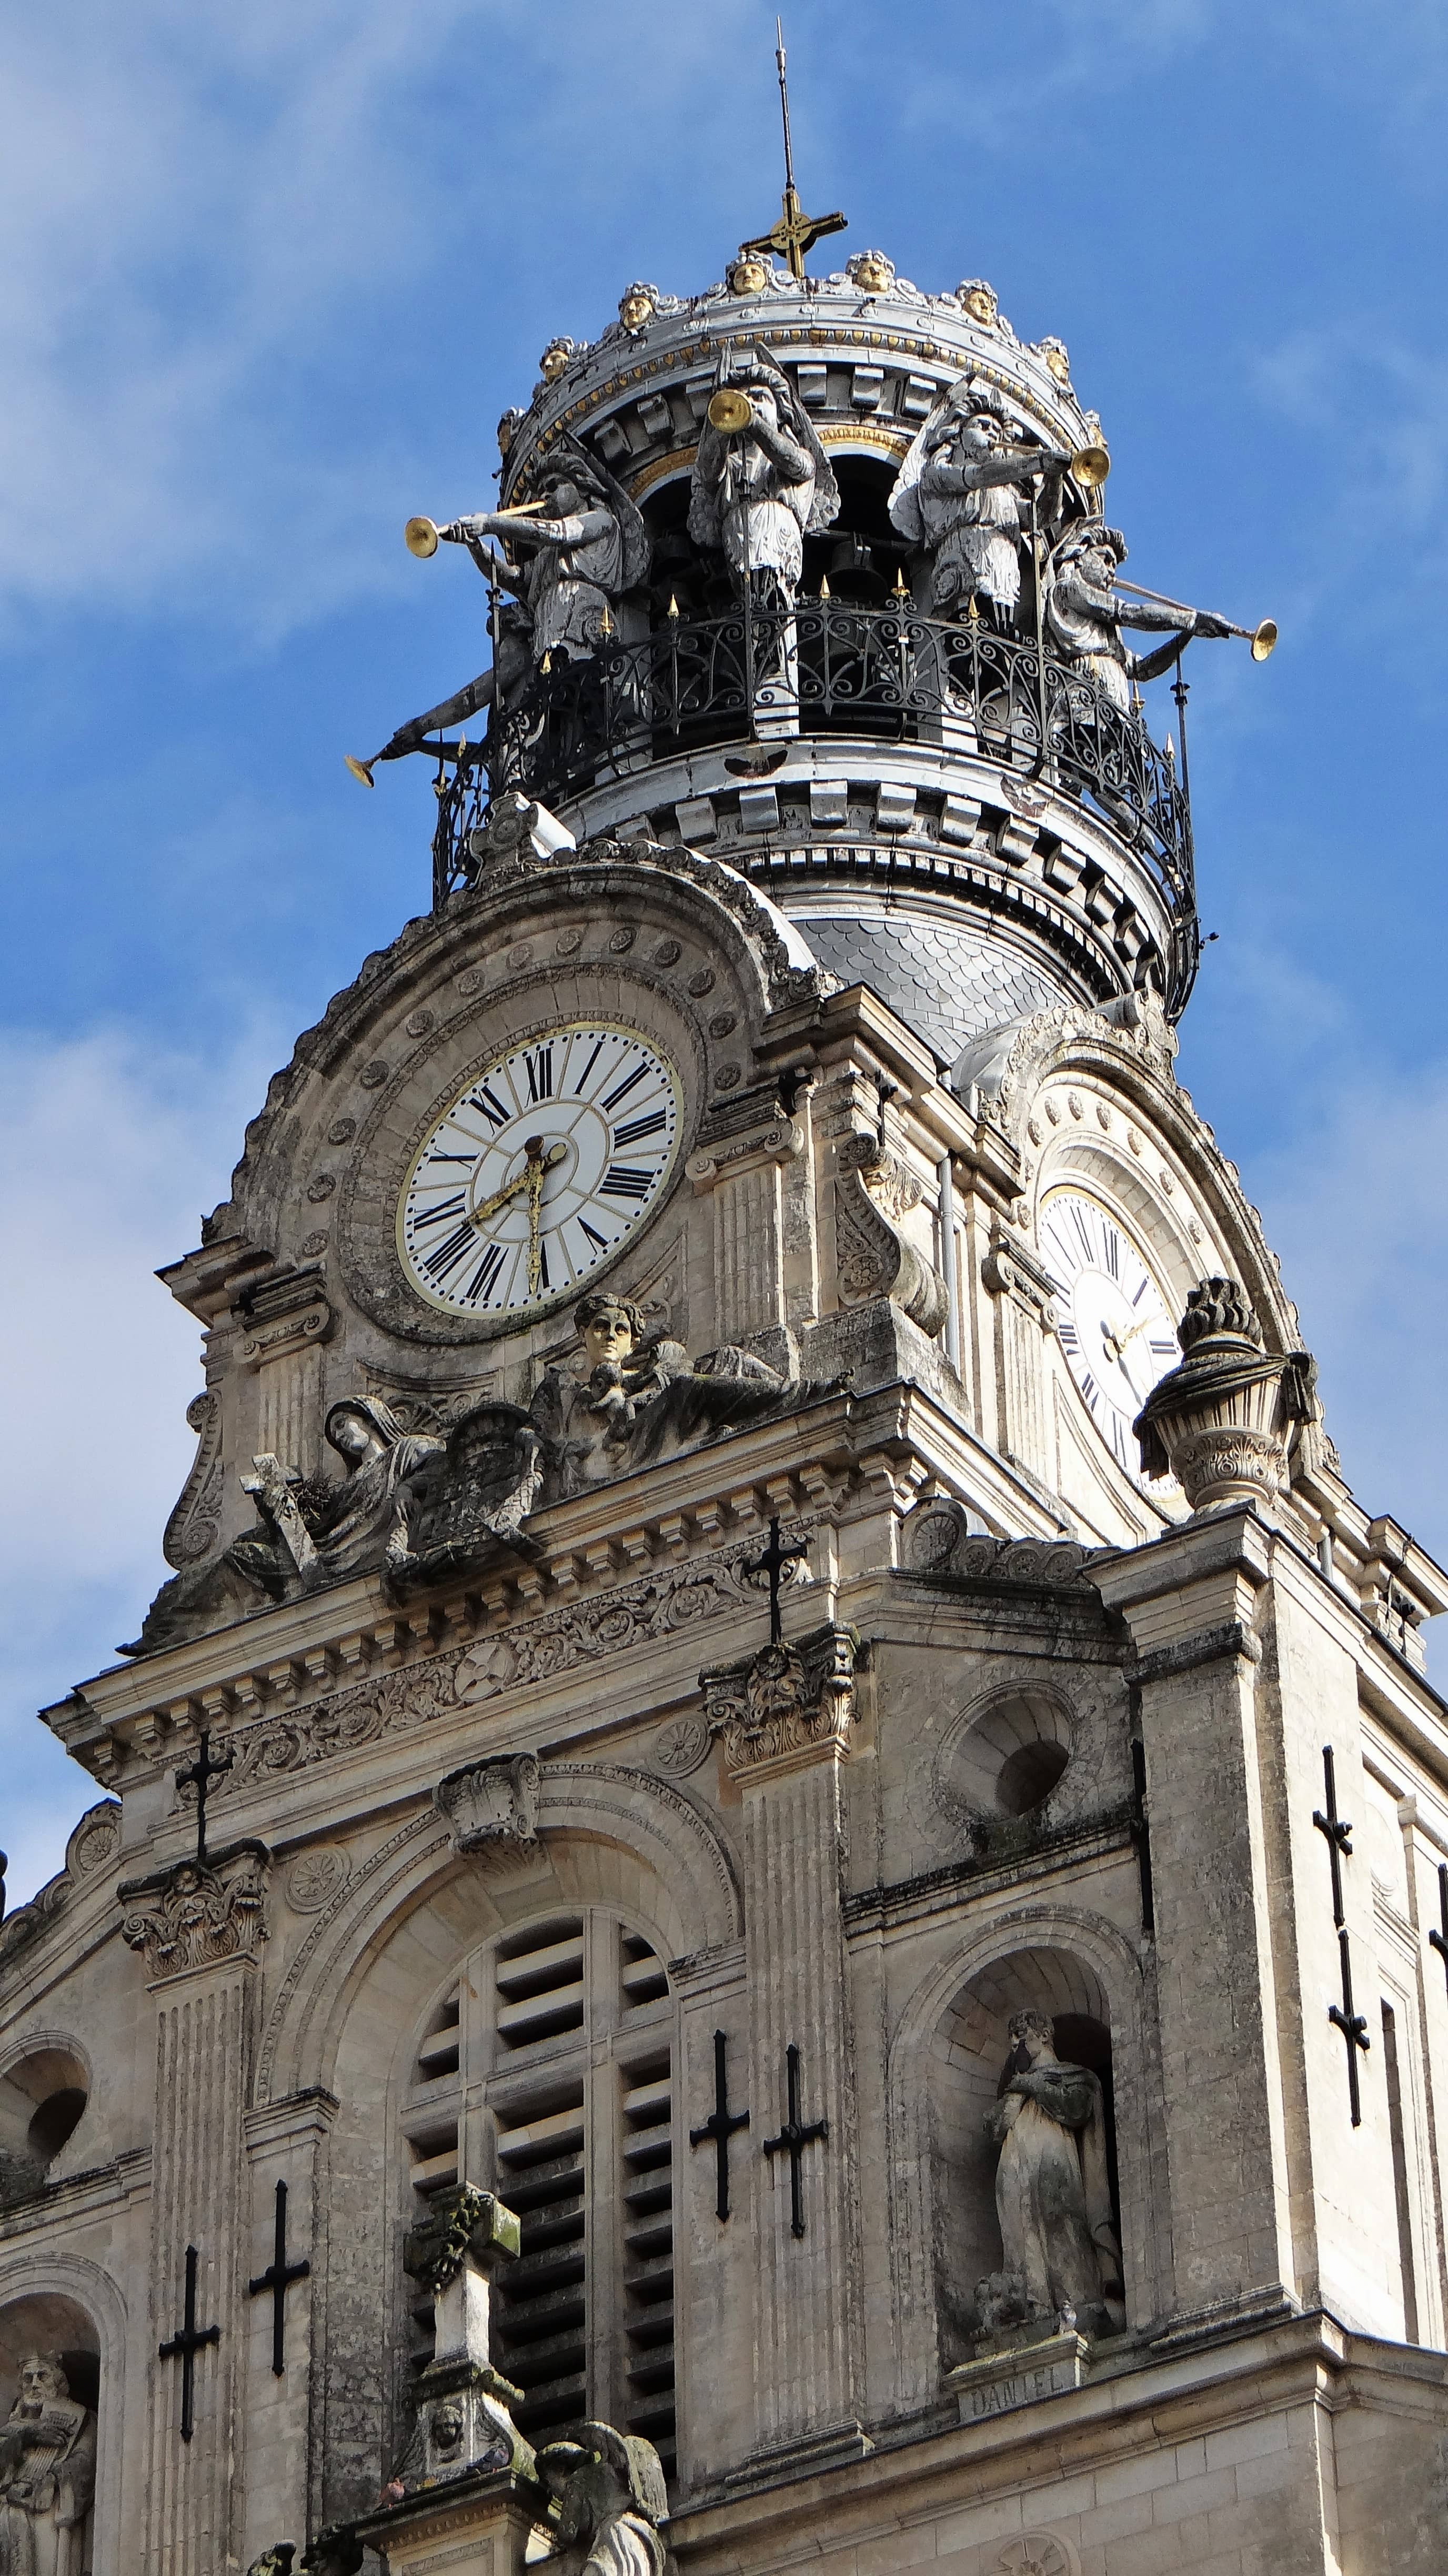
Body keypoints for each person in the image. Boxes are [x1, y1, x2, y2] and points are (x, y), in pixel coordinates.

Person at [531, 1291, 847, 1499]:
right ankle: (803, 1395)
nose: (611, 1336)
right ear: (583, 1334)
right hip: (614, 1456)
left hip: (649, 1438)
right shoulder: (562, 1389)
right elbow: (539, 1445)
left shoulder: (647, 1374)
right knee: (688, 1389)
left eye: (621, 1330)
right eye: (601, 1327)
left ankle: (791, 1398)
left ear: (633, 1343)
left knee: (730, 1359)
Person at [984, 2010, 1124, 2336]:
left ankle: (1077, 2301)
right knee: (1021, 2234)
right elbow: (995, 2128)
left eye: (1023, 2037)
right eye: (1012, 2041)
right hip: (1016, 2168)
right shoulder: (1015, 2090)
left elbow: (1076, 2109)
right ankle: (1033, 2306)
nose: (1016, 2045)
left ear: (1045, 2035)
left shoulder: (1074, 2076)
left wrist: (1034, 2085)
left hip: (1056, 2161)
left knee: (1061, 2222)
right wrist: (1018, 2089)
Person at [441, 445, 649, 664]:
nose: (545, 496)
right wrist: (473, 544)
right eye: (540, 492)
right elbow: (513, 578)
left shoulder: (600, 520)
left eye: (554, 486)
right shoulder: (550, 554)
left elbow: (557, 532)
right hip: (548, 617)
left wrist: (489, 524)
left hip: (580, 605)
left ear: (583, 487)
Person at [889, 380, 1066, 628]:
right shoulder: (938, 475)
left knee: (1000, 634)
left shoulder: (1004, 493)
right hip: (961, 564)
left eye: (997, 431)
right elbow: (978, 476)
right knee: (963, 634)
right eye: (982, 426)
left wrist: (1055, 477)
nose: (991, 434)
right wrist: (1038, 463)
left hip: (1003, 574)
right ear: (958, 435)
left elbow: (1042, 516)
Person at [688, 350, 839, 613]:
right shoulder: (731, 463)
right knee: (749, 609)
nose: (751, 404)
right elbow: (707, 473)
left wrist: (753, 423)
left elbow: (797, 464)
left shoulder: (794, 452)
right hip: (738, 540)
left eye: (760, 398)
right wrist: (726, 420)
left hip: (775, 533)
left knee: (777, 603)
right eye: (744, 400)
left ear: (781, 413)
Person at [1045, 520, 1233, 712]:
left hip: (1113, 711)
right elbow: (1132, 613)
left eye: (1114, 566)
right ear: (1080, 556)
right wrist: (1191, 620)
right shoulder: (1070, 590)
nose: (1111, 571)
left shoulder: (1104, 628)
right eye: (1105, 559)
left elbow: (1141, 669)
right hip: (1082, 703)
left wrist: (1187, 634)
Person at [0, 2355, 96, 2576]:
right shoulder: (10, 2430)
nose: (34, 2384)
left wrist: (53, 2479)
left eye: (42, 2376)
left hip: (50, 2509)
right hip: (7, 2513)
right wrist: (26, 2438)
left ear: (58, 2382)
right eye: (28, 2378)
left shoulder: (83, 2420)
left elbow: (86, 2461)